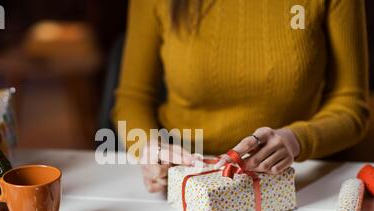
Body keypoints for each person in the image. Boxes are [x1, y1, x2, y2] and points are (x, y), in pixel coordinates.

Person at [112, 0, 370, 193]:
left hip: (293, 177)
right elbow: (132, 98)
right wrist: (148, 145)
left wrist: (296, 140)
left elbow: (351, 105)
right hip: (181, 177)